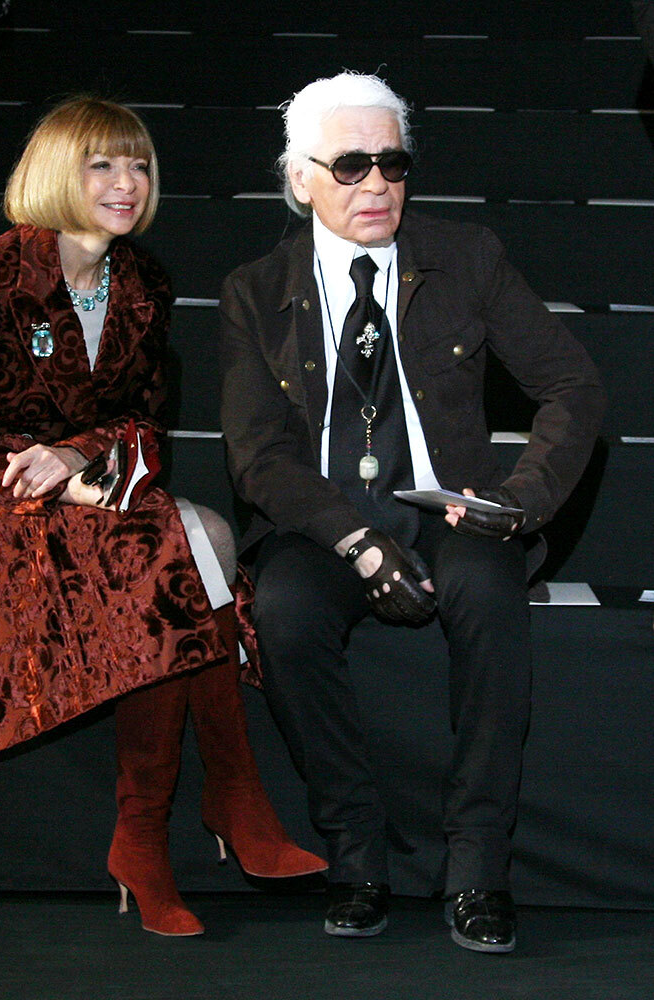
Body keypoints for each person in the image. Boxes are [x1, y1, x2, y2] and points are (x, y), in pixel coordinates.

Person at [0, 97, 325, 937]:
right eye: (103, 165)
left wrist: (79, 453)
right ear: (59, 172)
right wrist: (48, 478)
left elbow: (146, 423)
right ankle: (204, 808)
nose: (127, 183)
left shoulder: (143, 281)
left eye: (140, 166)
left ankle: (159, 829)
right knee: (185, 548)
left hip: (96, 492)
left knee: (191, 541)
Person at [217, 72, 605, 952]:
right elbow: (258, 455)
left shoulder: (467, 256)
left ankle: (478, 866)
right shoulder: (256, 290)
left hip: (447, 507)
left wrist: (519, 502)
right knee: (284, 614)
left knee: (490, 595)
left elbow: (574, 384)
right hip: (324, 518)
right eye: (350, 166)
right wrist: (354, 540)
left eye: (393, 163)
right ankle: (356, 853)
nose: (377, 185)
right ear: (300, 179)